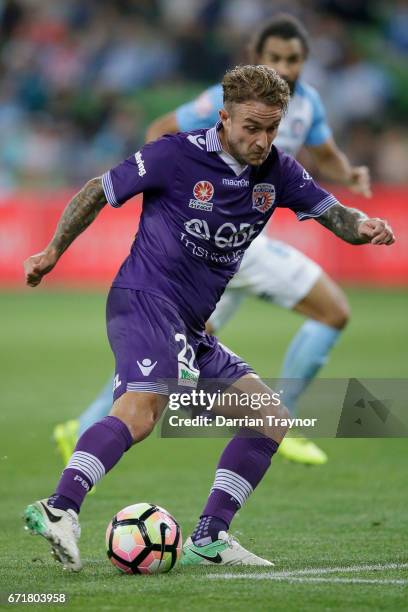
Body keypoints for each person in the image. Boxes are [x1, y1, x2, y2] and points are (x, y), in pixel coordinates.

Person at [24, 65, 394, 571]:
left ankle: (209, 537)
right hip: (146, 298)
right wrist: (51, 251)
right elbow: (97, 190)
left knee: (269, 420)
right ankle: (60, 507)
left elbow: (337, 217)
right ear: (224, 118)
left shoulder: (279, 172)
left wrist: (365, 226)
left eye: (272, 128)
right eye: (251, 127)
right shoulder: (175, 155)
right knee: (141, 410)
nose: (263, 140)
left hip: (192, 325)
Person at [54, 15, 372, 467]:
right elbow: (160, 130)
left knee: (332, 311)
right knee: (169, 354)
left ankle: (280, 418)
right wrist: (174, 198)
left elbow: (324, 155)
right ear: (256, 59)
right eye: (275, 58)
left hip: (243, 242)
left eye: (294, 60)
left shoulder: (308, 105)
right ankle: (91, 427)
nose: (286, 68)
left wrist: (349, 174)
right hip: (199, 252)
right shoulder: (220, 102)